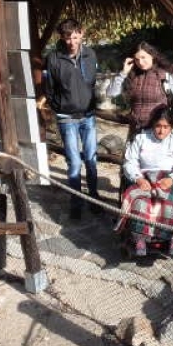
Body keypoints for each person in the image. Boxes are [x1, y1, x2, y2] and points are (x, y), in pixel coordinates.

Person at [115, 106, 173, 257]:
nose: (161, 131)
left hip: (170, 178)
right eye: (158, 126)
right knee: (139, 201)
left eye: (166, 127)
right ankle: (140, 239)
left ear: (171, 127)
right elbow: (130, 162)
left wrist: (171, 179)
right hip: (145, 178)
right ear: (152, 124)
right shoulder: (141, 138)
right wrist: (138, 179)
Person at [44, 19, 100, 220]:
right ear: (61, 37)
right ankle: (76, 202)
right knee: (74, 163)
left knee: (91, 160)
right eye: (68, 37)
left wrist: (89, 102)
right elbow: (49, 88)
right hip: (66, 118)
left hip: (88, 116)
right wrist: (59, 106)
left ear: (81, 33)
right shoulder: (53, 58)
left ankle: (94, 198)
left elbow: (93, 82)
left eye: (75, 37)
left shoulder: (90, 54)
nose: (72, 42)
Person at [106, 41, 173, 137]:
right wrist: (123, 73)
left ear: (152, 56)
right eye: (137, 59)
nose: (140, 62)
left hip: (158, 132)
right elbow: (111, 94)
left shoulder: (164, 75)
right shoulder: (131, 76)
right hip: (136, 131)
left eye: (143, 57)